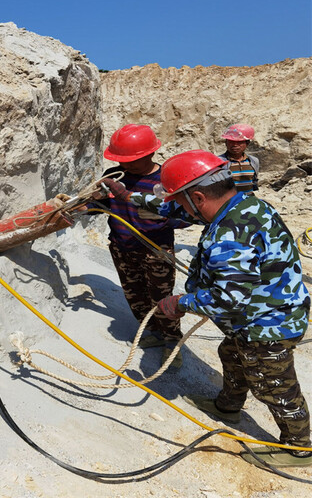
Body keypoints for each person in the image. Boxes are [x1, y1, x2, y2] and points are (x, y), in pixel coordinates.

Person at [101, 150, 311, 467]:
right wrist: (130, 197)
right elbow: (176, 209)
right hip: (257, 315)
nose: (179, 209)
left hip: (268, 324)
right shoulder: (240, 203)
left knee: (274, 386)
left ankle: (300, 448)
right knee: (231, 354)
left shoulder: (229, 235)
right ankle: (228, 405)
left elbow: (229, 297)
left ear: (199, 197)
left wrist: (179, 302)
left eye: (183, 202)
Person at [95, 124, 189, 369]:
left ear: (149, 154)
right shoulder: (115, 177)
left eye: (131, 161)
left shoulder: (166, 181)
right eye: (121, 160)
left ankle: (171, 339)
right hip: (122, 247)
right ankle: (151, 331)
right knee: (134, 293)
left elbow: (187, 216)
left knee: (162, 297)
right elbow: (101, 206)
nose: (125, 165)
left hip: (156, 250)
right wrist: (89, 202)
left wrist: (166, 219)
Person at [219, 123, 259, 195]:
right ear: (226, 142)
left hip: (249, 201)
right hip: (230, 204)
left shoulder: (253, 161)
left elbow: (253, 181)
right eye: (231, 141)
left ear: (247, 143)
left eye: (239, 142)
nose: (235, 145)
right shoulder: (219, 162)